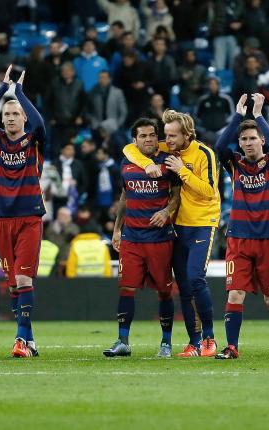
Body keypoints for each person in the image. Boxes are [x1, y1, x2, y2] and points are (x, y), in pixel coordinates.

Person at [122, 110, 221, 358]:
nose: (168, 140)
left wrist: (181, 169)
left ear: (187, 134)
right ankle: (193, 342)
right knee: (185, 287)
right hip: (178, 226)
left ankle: (210, 338)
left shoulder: (203, 153)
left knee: (196, 278)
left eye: (173, 135)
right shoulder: (168, 146)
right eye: (166, 135)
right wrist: (147, 164)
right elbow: (128, 149)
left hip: (201, 223)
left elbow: (209, 191)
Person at [212, 93, 269, 359]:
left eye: (252, 138)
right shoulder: (234, 163)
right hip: (239, 238)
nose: (247, 143)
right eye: (243, 139)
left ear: (262, 141)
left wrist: (257, 114)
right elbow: (220, 147)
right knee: (235, 295)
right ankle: (232, 347)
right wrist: (237, 115)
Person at [0, 66, 46, 358]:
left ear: (24, 118)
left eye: (15, 113)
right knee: (13, 285)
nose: (10, 117)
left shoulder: (35, 139)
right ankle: (29, 340)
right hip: (2, 218)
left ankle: (20, 339)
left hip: (29, 217)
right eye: (6, 114)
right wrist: (2, 90)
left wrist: (18, 92)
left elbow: (40, 122)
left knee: (23, 280)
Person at [102, 118, 182, 358]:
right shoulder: (127, 163)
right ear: (134, 140)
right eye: (143, 136)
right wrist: (117, 229)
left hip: (159, 238)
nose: (148, 139)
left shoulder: (168, 163)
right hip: (132, 238)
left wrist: (167, 211)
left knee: (164, 291)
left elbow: (177, 196)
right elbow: (124, 198)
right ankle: (122, 341)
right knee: (126, 288)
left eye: (151, 135)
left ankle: (166, 343)